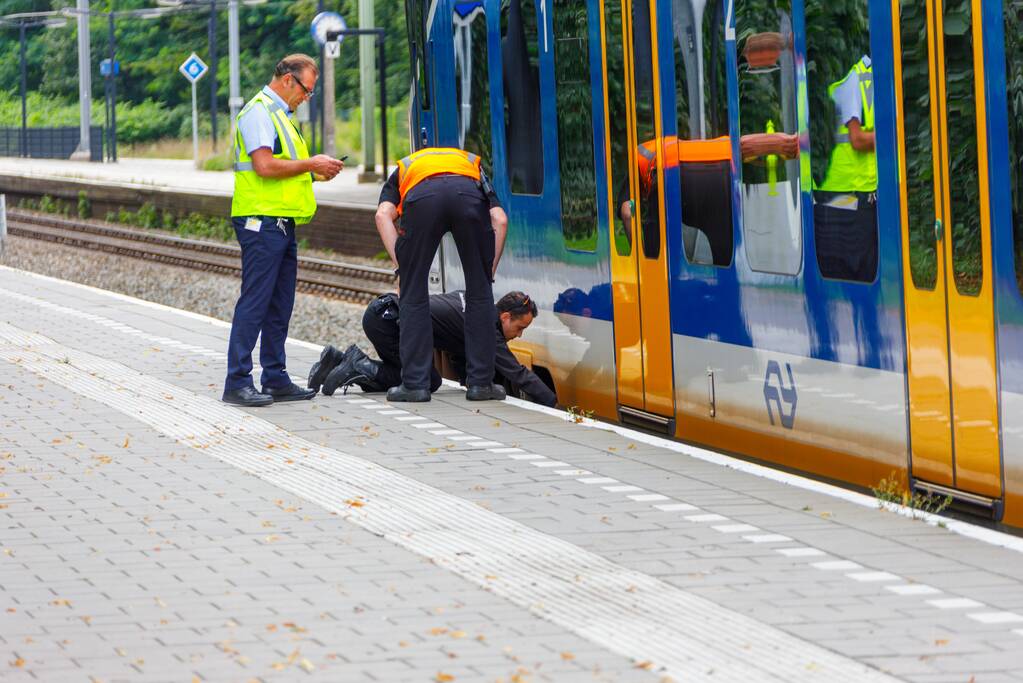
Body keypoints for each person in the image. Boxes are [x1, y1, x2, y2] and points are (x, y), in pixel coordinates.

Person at [222, 54, 345, 407]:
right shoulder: (259, 111)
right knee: (256, 302)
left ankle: (275, 378)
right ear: (288, 79)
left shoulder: (281, 117)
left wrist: (313, 173)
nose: (307, 97)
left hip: (280, 221)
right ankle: (237, 382)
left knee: (279, 304)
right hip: (260, 220)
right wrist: (310, 163)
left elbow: (284, 168)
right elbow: (263, 166)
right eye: (306, 89)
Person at [375, 147, 508, 402]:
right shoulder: (471, 164)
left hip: (422, 199)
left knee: (413, 294)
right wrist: (487, 270)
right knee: (480, 293)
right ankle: (481, 385)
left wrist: (405, 268)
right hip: (467, 195)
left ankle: (415, 386)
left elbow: (383, 216)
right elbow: (500, 219)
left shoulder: (404, 167)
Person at [307, 291, 557, 408]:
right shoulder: (486, 329)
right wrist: (552, 401)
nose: (519, 335)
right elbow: (516, 372)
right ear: (505, 317)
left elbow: (457, 349)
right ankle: (357, 365)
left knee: (408, 372)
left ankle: (336, 361)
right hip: (388, 322)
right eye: (520, 328)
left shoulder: (473, 302)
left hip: (383, 311)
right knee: (426, 380)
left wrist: (469, 381)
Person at [814, 55, 878, 282]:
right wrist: (893, 135)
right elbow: (857, 139)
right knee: (857, 272)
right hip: (848, 194)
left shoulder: (867, 76)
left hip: (853, 192)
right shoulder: (854, 77)